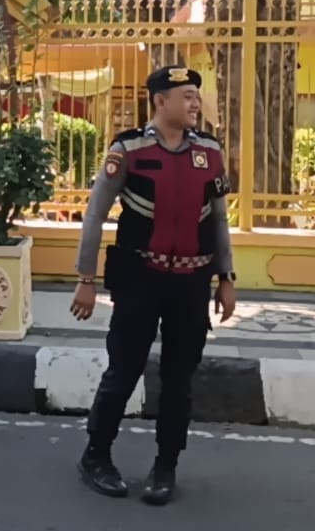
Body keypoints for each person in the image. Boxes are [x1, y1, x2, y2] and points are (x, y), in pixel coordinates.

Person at [70, 64, 238, 505]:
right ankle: (96, 455)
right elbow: (95, 215)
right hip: (139, 279)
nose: (195, 103)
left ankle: (166, 467)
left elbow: (219, 220)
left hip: (191, 283)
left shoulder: (210, 152)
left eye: (196, 95)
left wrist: (226, 277)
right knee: (124, 370)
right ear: (160, 101)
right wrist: (85, 279)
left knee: (179, 379)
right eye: (186, 96)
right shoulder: (128, 149)